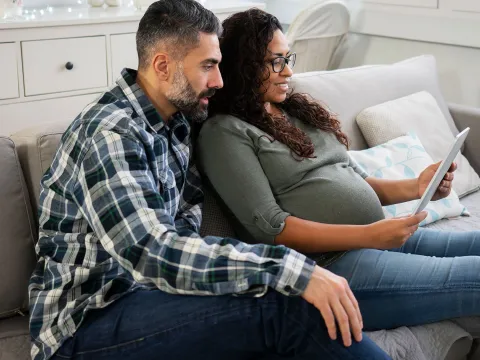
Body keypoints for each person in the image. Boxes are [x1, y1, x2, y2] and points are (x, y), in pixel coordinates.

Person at [28, 1, 392, 359]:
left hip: (155, 296)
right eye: (208, 66)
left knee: (278, 315)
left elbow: (245, 118)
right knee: (289, 309)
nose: (219, 80)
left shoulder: (178, 121)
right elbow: (153, 252)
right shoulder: (110, 135)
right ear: (162, 65)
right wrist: (289, 267)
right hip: (87, 321)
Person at [197, 8, 480, 336]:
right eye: (275, 61)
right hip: (330, 268)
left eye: (288, 58)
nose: (288, 71)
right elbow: (271, 228)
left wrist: (417, 187)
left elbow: (355, 181)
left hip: (375, 239)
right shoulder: (225, 132)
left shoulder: (295, 111)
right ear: (243, 65)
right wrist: (370, 235)